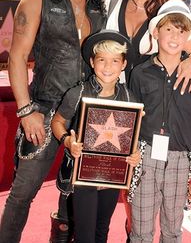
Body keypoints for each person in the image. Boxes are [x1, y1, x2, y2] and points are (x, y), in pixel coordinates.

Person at [0, 0, 112, 243]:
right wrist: (26, 110)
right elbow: (17, 57)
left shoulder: (98, 6)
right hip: (44, 112)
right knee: (22, 194)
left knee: (74, 196)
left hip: (88, 117)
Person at [129, 0, 191, 243]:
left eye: (182, 30)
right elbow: (133, 121)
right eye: (169, 28)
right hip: (145, 157)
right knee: (140, 232)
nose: (175, 36)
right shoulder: (140, 73)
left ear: (188, 35)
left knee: (173, 231)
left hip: (181, 160)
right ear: (156, 31)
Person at [51, 30, 141, 243]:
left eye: (114, 61)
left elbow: (133, 137)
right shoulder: (78, 93)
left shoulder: (129, 97)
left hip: (112, 177)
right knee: (85, 234)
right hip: (83, 177)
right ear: (92, 62)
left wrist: (135, 155)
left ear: (123, 64)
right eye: (102, 60)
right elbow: (57, 122)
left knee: (102, 230)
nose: (108, 67)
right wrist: (67, 140)